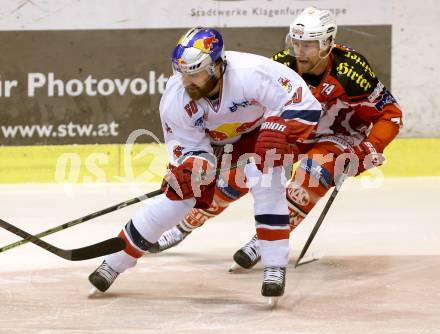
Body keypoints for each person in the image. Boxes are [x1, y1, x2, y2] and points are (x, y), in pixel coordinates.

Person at [152, 7, 403, 271]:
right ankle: (185, 225)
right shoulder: (280, 65)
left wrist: (369, 149)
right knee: (244, 173)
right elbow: (255, 112)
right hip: (296, 132)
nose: (300, 51)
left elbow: (391, 113)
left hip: (341, 136)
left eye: (308, 45)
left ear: (327, 43)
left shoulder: (352, 71)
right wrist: (229, 149)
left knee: (314, 171)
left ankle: (266, 240)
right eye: (296, 42)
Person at [88, 27, 322, 301]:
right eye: (183, 72)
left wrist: (281, 128)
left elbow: (305, 103)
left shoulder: (253, 72)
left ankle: (274, 266)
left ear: (217, 67)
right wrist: (190, 167)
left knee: (266, 179)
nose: (188, 81)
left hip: (262, 133)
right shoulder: (176, 99)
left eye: (195, 73)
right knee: (179, 196)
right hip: (215, 145)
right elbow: (188, 147)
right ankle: (113, 263)